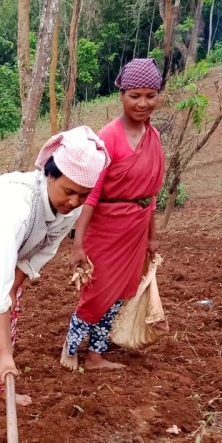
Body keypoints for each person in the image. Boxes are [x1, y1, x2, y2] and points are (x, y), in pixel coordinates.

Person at [0, 126, 110, 423]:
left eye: (83, 195)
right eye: (68, 191)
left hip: (7, 253)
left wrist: (14, 287)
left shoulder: (72, 210)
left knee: (8, 316)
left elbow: (41, 251)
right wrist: (5, 354)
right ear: (50, 175)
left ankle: (0, 388)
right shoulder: (15, 206)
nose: (73, 202)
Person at [60, 58, 166, 371]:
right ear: (121, 95)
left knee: (120, 293)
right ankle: (69, 349)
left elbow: (150, 194)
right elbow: (90, 195)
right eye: (135, 95)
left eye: (150, 95)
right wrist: (78, 245)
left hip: (135, 230)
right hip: (106, 228)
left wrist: (152, 238)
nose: (143, 103)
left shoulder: (154, 137)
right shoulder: (108, 138)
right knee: (97, 293)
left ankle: (95, 355)